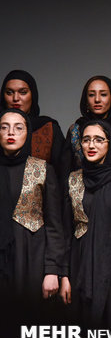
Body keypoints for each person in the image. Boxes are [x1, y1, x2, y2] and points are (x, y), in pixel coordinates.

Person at [60, 120, 111, 326]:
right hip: (80, 261)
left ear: (110, 144)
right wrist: (63, 275)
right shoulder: (73, 179)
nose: (91, 145)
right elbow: (66, 230)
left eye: (99, 140)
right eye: (86, 140)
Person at [0, 109, 63, 302]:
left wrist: (52, 270)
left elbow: (54, 225)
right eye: (5, 127)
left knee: (27, 321)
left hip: (31, 255)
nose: (11, 133)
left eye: (18, 128)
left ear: (28, 134)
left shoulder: (42, 169)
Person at [61, 76, 111, 180]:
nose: (97, 99)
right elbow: (64, 172)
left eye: (103, 94)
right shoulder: (75, 131)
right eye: (91, 95)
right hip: (79, 192)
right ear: (85, 99)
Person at [1, 70, 64, 179]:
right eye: (9, 92)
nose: (16, 98)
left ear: (33, 95)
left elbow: (61, 174)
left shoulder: (48, 128)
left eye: (23, 92)